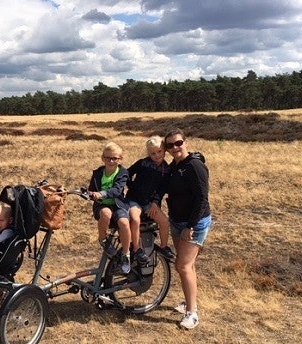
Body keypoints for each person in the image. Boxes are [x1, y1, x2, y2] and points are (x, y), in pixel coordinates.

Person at [164, 128, 212, 330]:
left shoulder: (194, 166)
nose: (175, 148)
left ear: (186, 142)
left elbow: (202, 198)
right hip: (176, 221)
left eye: (178, 143)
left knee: (182, 266)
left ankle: (192, 313)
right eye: (170, 145)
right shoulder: (173, 167)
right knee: (188, 266)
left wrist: (191, 226)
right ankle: (188, 301)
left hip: (195, 223)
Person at [125, 135, 176, 264]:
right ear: (149, 153)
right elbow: (126, 174)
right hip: (134, 200)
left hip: (150, 203)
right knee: (135, 219)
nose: (157, 155)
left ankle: (164, 247)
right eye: (153, 153)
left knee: (164, 222)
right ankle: (137, 249)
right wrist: (132, 187)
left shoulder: (167, 170)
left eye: (159, 152)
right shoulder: (143, 163)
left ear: (164, 150)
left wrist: (154, 203)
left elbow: (162, 189)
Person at [88, 142, 132, 273]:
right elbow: (91, 190)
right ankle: (103, 239)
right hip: (102, 205)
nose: (111, 161)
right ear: (103, 158)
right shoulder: (98, 173)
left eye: (115, 158)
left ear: (120, 159)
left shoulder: (123, 173)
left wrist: (101, 193)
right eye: (108, 158)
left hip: (117, 204)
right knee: (106, 214)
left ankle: (125, 254)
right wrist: (90, 194)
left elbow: (118, 190)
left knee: (124, 223)